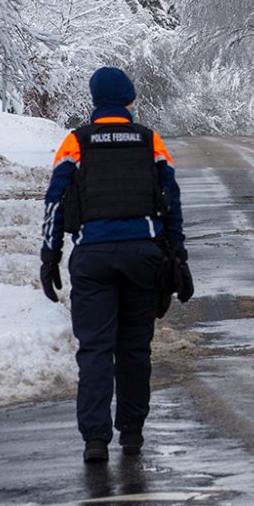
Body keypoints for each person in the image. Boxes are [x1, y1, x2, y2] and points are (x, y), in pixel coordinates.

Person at [40, 67, 189, 462]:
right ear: (128, 100)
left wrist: (49, 254)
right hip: (143, 255)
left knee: (95, 350)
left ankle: (94, 439)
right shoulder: (149, 140)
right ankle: (133, 433)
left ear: (94, 101)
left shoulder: (75, 142)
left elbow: (55, 200)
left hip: (93, 258)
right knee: (135, 349)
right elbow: (170, 196)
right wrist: (178, 251)